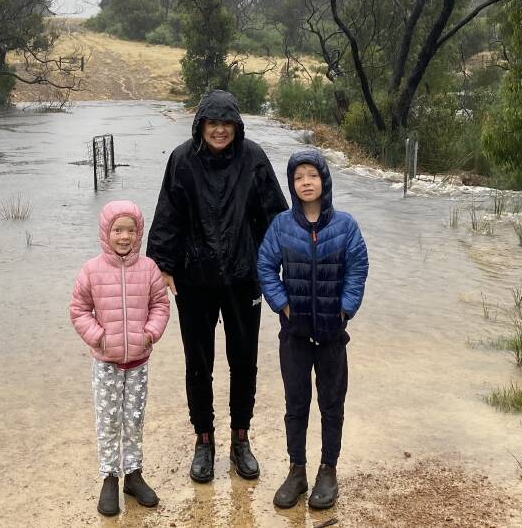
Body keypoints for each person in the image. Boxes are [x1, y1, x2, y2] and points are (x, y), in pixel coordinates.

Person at [147, 89, 288, 483]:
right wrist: (163, 265)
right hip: (194, 279)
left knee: (244, 361)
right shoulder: (181, 160)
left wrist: (272, 265)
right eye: (213, 123)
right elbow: (167, 215)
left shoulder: (254, 158)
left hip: (245, 278)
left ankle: (240, 438)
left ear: (237, 126)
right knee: (199, 364)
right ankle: (204, 439)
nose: (220, 130)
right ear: (201, 125)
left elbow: (275, 215)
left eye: (227, 123)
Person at [256, 149, 369, 510]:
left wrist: (345, 310)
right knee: (296, 405)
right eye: (298, 177)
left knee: (332, 405)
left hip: (333, 335)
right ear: (291, 185)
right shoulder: (281, 225)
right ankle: (297, 470)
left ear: (324, 180)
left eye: (312, 175)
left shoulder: (345, 226)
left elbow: (358, 269)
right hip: (295, 335)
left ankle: (328, 470)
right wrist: (283, 305)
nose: (305, 182)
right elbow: (265, 267)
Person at [69, 200, 171, 517]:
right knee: (109, 421)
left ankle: (134, 475)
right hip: (105, 363)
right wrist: (99, 337)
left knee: (133, 419)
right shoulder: (92, 270)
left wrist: (149, 334)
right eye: (117, 230)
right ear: (106, 232)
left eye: (130, 230)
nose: (124, 237)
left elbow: (160, 306)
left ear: (138, 233)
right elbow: (78, 310)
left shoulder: (149, 269)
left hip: (138, 362)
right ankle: (110, 478)